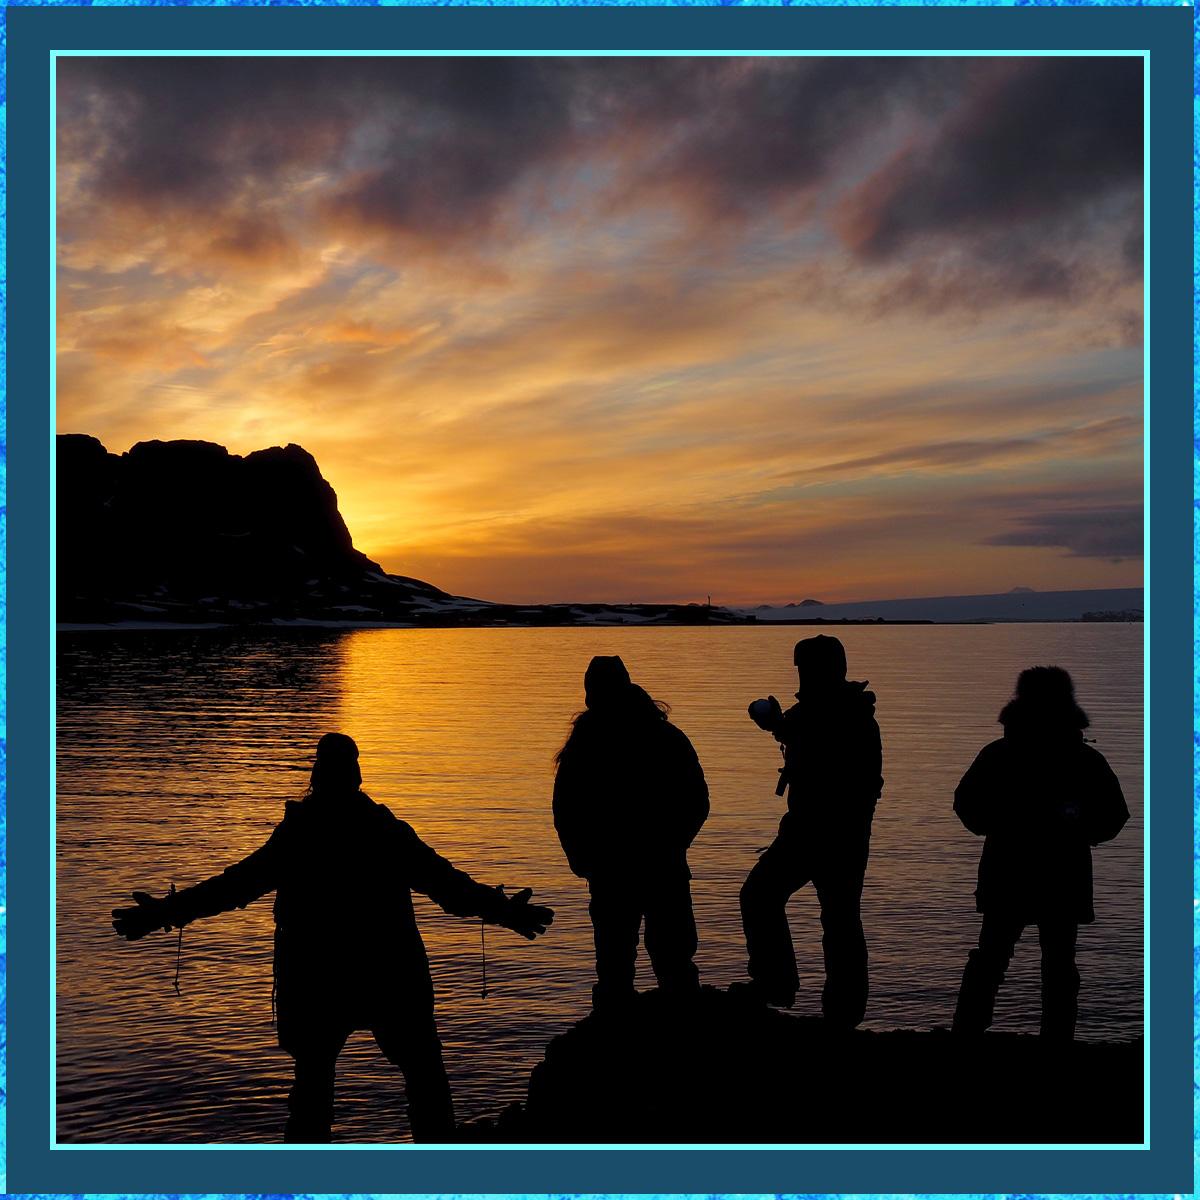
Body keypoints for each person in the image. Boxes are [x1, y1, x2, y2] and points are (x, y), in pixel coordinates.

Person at [111, 732, 553, 1143]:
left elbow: (234, 887)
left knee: (317, 1087)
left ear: (317, 776)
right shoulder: (381, 830)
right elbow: (448, 886)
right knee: (421, 1077)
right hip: (388, 973)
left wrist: (164, 914)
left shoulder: (303, 833)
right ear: (357, 777)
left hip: (318, 980)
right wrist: (505, 912)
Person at [951, 666, 1128, 1041]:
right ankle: (1055, 1040)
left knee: (995, 959)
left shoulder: (999, 754)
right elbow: (1114, 815)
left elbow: (966, 805)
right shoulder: (1082, 759)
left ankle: (966, 1034)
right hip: (1060, 875)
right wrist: (1080, 830)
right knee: (1054, 964)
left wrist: (997, 823)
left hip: (1011, 871)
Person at [736, 634, 882, 1026]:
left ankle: (831, 1007)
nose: (801, 675)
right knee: (776, 902)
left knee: (832, 919)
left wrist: (786, 730)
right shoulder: (822, 712)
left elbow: (848, 771)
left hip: (831, 835)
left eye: (805, 668)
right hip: (813, 832)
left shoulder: (849, 716)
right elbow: (800, 735)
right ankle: (785, 988)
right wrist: (779, 729)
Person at [553, 655, 709, 1008]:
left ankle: (620, 1040)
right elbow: (697, 801)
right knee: (651, 967)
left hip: (632, 869)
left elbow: (565, 809)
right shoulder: (660, 736)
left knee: (630, 969)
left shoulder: (587, 744)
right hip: (635, 869)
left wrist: (582, 858)